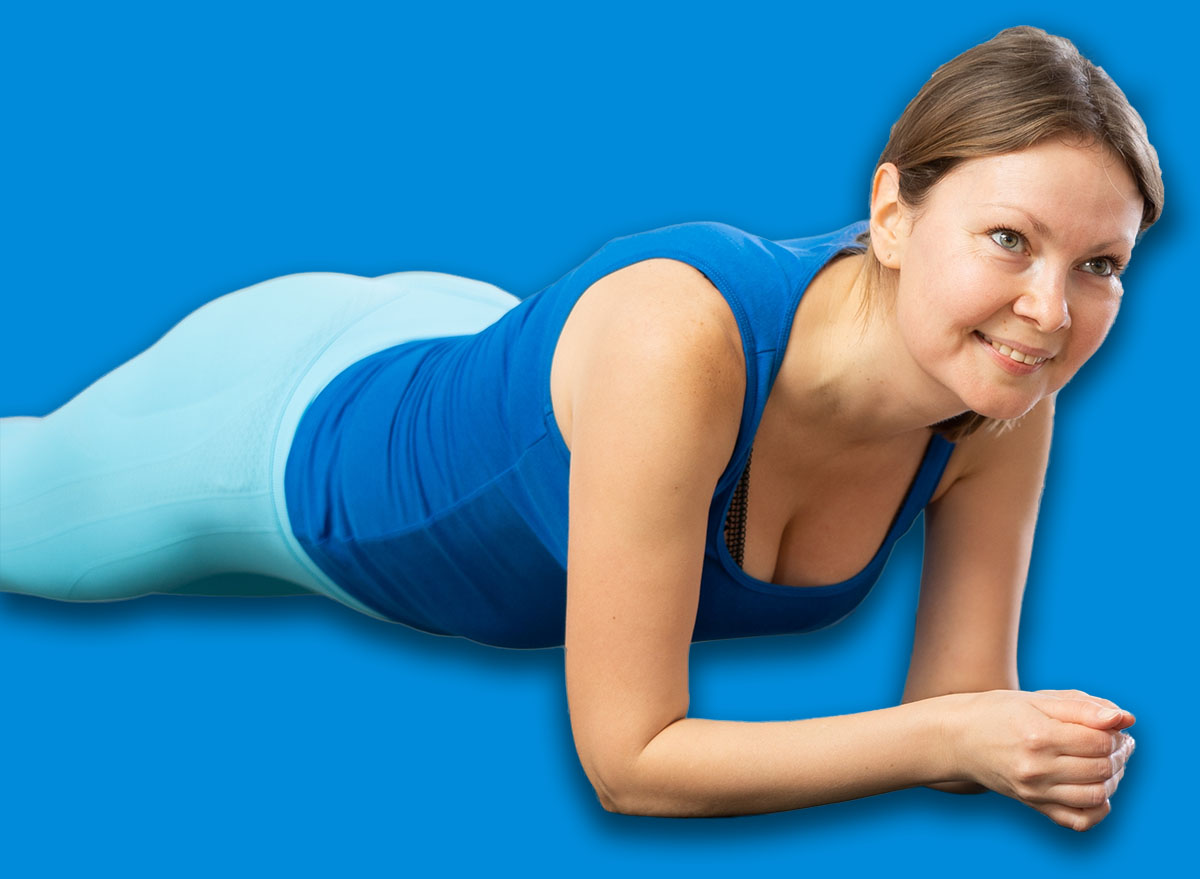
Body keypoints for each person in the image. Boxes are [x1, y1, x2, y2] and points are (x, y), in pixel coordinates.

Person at [0, 25, 1162, 831]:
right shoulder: (681, 344)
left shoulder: (1003, 384)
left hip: (481, 349)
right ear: (892, 214)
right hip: (273, 434)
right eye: (1008, 239)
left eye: (1101, 265)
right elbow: (633, 761)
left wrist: (1029, 746)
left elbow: (961, 708)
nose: (1052, 310)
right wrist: (952, 744)